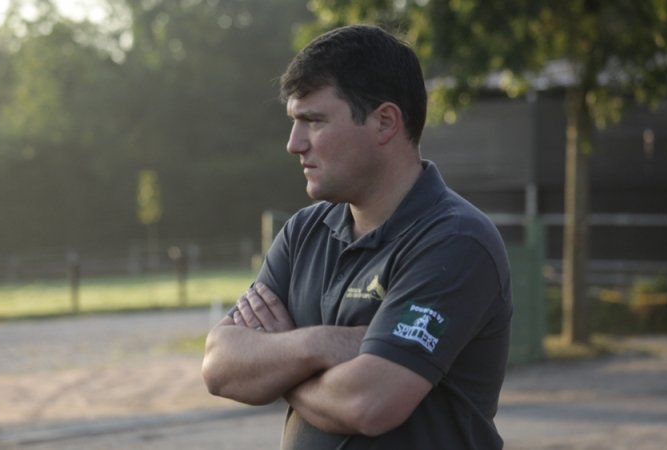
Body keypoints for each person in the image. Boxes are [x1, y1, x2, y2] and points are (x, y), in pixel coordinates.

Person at [202, 24, 512, 449]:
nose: (294, 144)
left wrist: (279, 365)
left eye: (313, 121)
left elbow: (370, 402)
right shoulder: (303, 232)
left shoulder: (456, 241)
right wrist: (321, 344)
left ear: (384, 122)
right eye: (294, 121)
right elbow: (219, 365)